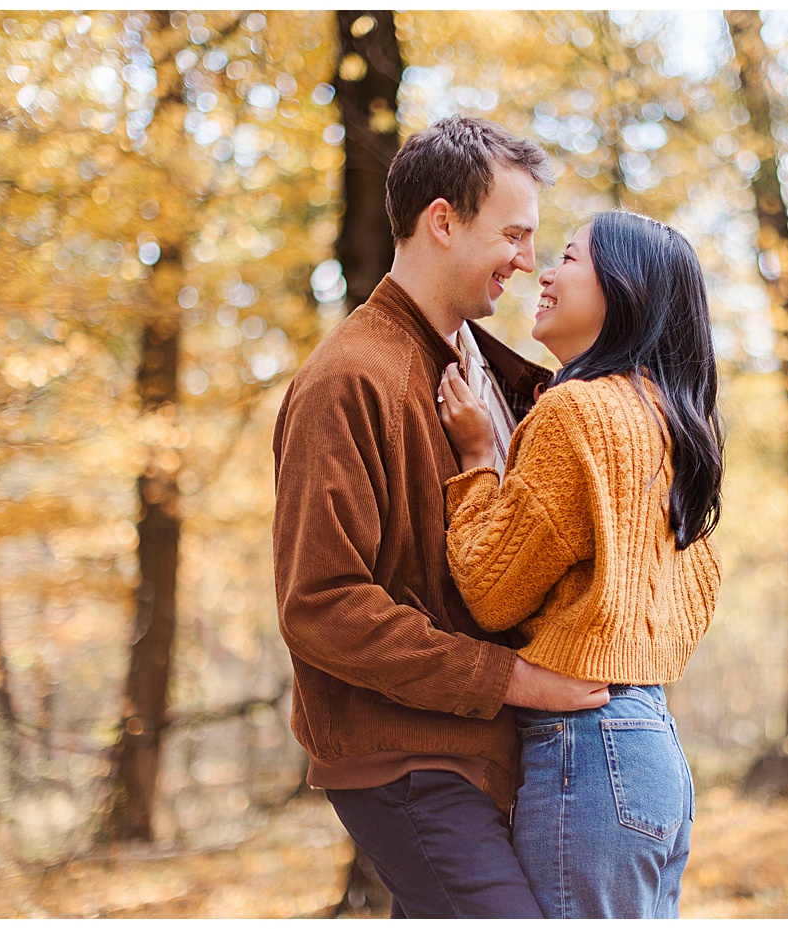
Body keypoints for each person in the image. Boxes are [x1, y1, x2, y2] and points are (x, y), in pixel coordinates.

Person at [271, 116, 610, 918]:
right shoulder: (349, 379)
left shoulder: (489, 369)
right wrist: (520, 681)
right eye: (514, 234)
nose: (527, 260)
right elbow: (319, 604)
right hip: (408, 758)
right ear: (443, 221)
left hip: (482, 748)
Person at [436, 210, 723, 918]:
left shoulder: (577, 413)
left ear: (622, 289)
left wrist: (478, 460)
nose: (542, 271)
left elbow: (491, 591)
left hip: (590, 751)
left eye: (568, 257)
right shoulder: (670, 420)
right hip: (654, 746)